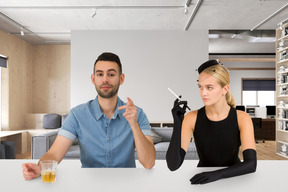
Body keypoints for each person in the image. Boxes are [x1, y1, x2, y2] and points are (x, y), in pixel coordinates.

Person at [22, 52, 156, 180]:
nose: (105, 79)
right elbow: (55, 153)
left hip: (127, 183)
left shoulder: (137, 114)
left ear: (121, 79)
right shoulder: (77, 114)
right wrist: (40, 168)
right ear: (93, 79)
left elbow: (149, 162)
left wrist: (134, 125)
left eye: (111, 74)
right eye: (99, 74)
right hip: (89, 184)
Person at [166, 60, 257, 184]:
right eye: (201, 87)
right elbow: (173, 165)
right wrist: (178, 123)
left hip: (235, 178)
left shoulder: (242, 118)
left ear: (225, 89)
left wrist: (217, 174)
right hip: (202, 180)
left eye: (209, 87)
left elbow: (251, 164)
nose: (203, 93)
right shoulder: (192, 117)